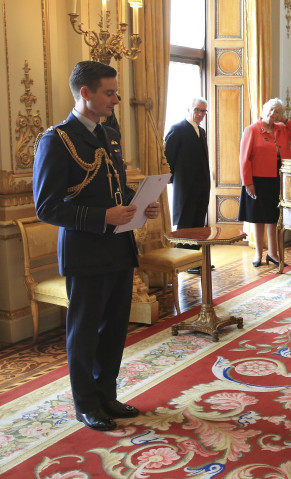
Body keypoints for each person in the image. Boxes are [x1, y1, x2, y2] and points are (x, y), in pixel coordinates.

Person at [32, 61, 161, 431]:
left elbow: (114, 187)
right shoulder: (57, 140)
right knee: (85, 332)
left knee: (115, 328)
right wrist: (104, 217)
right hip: (85, 253)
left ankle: (106, 394)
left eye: (116, 92)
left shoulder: (110, 134)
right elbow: (47, 206)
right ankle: (86, 404)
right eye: (109, 92)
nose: (116, 99)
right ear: (85, 93)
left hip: (118, 249)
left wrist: (141, 203)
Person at [238, 98, 291, 267]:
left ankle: (273, 254)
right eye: (271, 110)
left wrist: (286, 121)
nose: (273, 114)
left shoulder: (282, 129)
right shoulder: (252, 130)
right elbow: (244, 159)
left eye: (277, 112)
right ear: (264, 110)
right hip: (257, 180)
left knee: (274, 218)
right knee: (258, 218)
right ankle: (258, 254)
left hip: (278, 178)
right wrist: (248, 182)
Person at [164, 97, 212, 272]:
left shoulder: (202, 131)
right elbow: (168, 156)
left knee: (198, 222)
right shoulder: (177, 129)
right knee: (186, 222)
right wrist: (170, 180)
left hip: (201, 184)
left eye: (203, 111)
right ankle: (184, 260)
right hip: (185, 185)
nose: (200, 114)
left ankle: (195, 259)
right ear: (189, 109)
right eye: (197, 110)